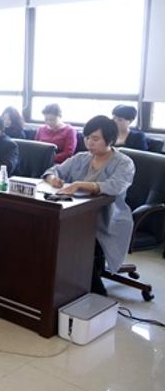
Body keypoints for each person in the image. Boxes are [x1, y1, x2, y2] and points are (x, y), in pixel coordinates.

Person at [42, 115, 134, 296]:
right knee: (51, 233)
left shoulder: (124, 162)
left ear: (110, 140)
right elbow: (54, 170)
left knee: (72, 240)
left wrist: (79, 185)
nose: (89, 143)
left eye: (95, 139)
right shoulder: (81, 158)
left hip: (109, 218)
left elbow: (115, 186)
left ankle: (96, 292)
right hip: (77, 215)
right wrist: (53, 179)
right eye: (87, 138)